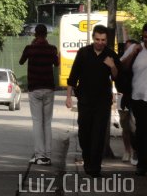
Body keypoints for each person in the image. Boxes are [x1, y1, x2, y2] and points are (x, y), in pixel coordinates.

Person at [66, 24, 120, 177]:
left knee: (98, 134)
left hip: (102, 102)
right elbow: (73, 76)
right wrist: (69, 97)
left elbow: (117, 76)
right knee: (84, 134)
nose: (100, 42)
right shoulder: (83, 53)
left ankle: (94, 167)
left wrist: (112, 66)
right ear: (93, 38)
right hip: (85, 101)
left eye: (103, 40)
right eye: (97, 39)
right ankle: (87, 159)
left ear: (106, 40)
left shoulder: (110, 54)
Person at [19, 23, 59, 166]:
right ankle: (47, 155)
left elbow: (21, 61)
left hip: (35, 88)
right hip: (48, 88)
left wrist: (31, 47)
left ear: (35, 34)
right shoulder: (52, 49)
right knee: (47, 123)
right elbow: (57, 63)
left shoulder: (30, 49)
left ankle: (39, 155)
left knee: (37, 122)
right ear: (46, 34)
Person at [121, 24, 147, 176]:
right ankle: (142, 164)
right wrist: (132, 54)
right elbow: (121, 67)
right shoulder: (136, 49)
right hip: (138, 97)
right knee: (142, 130)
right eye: (144, 37)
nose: (146, 40)